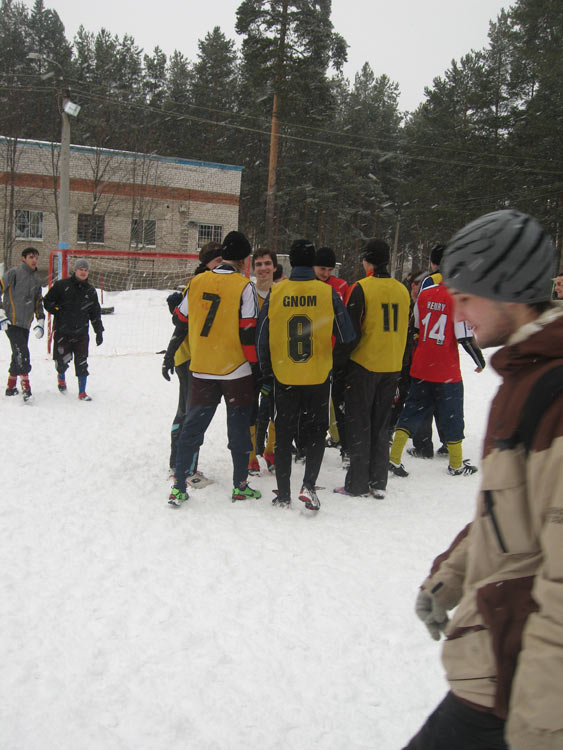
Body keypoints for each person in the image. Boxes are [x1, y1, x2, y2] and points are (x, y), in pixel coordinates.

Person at [402, 209, 563, 750]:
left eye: (466, 293)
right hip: (498, 655)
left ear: (508, 290)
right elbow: (507, 513)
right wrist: (450, 576)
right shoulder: (525, 373)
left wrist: (540, 728)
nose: (455, 306)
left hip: (522, 688)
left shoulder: (555, 395)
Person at [257, 239, 354, 510]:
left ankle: (284, 493)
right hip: (318, 376)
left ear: (290, 262)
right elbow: (347, 335)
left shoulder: (276, 293)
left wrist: (267, 370)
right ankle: (308, 486)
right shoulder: (327, 293)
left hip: (285, 376)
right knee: (316, 434)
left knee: (285, 433)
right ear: (312, 264)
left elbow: (261, 338)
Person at [168, 231, 261, 506]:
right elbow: (248, 332)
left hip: (202, 368)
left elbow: (180, 319)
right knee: (238, 430)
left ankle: (178, 486)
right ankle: (240, 485)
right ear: (245, 259)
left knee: (192, 429)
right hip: (235, 370)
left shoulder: (196, 281)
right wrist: (255, 368)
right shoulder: (245, 287)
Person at [388, 261, 484, 477]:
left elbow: (417, 328)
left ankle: (394, 458)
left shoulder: (425, 293)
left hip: (422, 366)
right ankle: (456, 464)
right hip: (446, 370)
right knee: (452, 416)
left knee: (411, 410)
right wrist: (479, 360)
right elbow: (465, 337)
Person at [334, 239, 410, 499]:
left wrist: (338, 365)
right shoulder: (402, 290)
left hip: (365, 365)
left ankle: (356, 483)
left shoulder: (361, 288)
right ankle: (378, 481)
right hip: (392, 366)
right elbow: (407, 332)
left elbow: (349, 334)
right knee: (381, 426)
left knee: (359, 425)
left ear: (367, 260)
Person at [162, 241, 222, 485]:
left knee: (186, 411)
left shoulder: (202, 282)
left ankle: (178, 462)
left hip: (191, 357)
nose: (220, 266)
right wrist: (170, 353)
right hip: (190, 358)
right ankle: (185, 469)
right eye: (216, 261)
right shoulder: (200, 283)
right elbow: (182, 324)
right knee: (191, 414)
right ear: (207, 263)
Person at [42, 259, 104, 400]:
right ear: (75, 271)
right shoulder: (62, 285)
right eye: (81, 269)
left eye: (86, 270)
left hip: (81, 333)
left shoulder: (90, 291)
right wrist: (57, 310)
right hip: (63, 332)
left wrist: (98, 331)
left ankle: (82, 392)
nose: (83, 272)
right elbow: (47, 301)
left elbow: (95, 313)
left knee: (82, 362)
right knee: (62, 363)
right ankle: (61, 377)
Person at [313, 246, 349, 462]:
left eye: (329, 269)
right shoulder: (308, 285)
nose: (325, 273)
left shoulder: (341, 286)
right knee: (315, 401)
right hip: (313, 351)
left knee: (338, 400)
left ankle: (343, 443)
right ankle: (309, 444)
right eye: (321, 268)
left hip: (335, 351)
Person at [248, 248, 277, 476]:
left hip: (275, 363)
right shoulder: (246, 292)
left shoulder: (282, 293)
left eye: (267, 263)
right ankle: (250, 456)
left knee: (274, 407)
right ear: (253, 268)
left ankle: (270, 451)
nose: (263, 268)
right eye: (259, 264)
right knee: (249, 409)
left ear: (274, 267)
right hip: (249, 362)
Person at [2, 247, 45, 402]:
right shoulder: (13, 273)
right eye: (31, 257)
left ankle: (11, 387)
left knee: (17, 353)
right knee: (23, 353)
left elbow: (38, 302)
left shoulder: (36, 279)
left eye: (36, 257)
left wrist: (40, 320)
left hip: (25, 324)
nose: (34, 260)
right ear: (23, 258)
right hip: (11, 322)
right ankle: (26, 389)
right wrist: (1, 314)